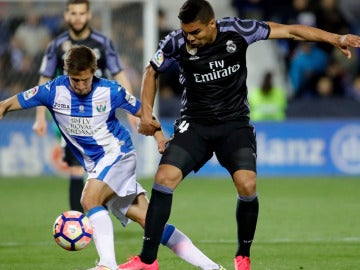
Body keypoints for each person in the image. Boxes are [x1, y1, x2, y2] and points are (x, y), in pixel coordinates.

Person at [118, 1, 360, 270]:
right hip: (195, 125)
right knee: (163, 179)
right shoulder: (175, 42)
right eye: (186, 32)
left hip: (234, 124)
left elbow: (290, 31)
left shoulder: (239, 30)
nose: (190, 38)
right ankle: (147, 260)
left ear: (212, 24)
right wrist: (147, 113)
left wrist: (335, 38)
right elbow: (152, 70)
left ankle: (243, 255)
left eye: (195, 32)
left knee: (247, 185)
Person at [0, 45, 226, 270]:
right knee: (152, 222)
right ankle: (212, 267)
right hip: (97, 165)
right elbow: (8, 104)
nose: (80, 86)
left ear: (94, 71)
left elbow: (143, 113)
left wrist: (159, 136)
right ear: (66, 74)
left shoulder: (111, 91)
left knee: (89, 199)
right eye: (74, 80)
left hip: (118, 154)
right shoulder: (51, 91)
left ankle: (107, 265)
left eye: (85, 80)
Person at [32, 0, 138, 213]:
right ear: (67, 15)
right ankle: (80, 222)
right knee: (75, 167)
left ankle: (99, 216)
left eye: (82, 13)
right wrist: (40, 116)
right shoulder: (56, 45)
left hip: (101, 117)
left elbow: (118, 74)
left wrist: (132, 111)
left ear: (89, 15)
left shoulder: (103, 43)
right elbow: (44, 80)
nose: (78, 17)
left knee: (102, 170)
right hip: (69, 116)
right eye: (73, 13)